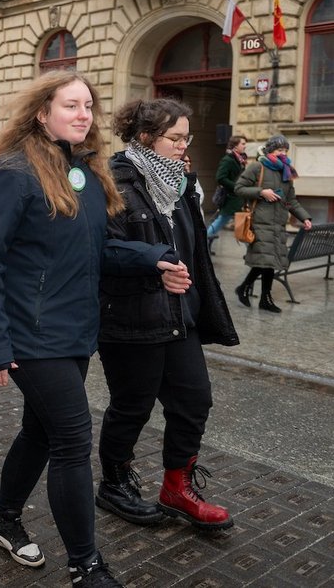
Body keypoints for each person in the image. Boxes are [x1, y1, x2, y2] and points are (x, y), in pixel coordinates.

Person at [0, 71, 125, 586]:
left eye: (89, 106)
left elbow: (97, 250)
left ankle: (2, 518)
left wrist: (155, 260)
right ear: (41, 113)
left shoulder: (86, 170)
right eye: (71, 105)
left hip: (76, 330)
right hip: (30, 334)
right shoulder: (12, 172)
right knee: (73, 440)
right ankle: (85, 565)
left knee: (40, 431)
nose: (84, 114)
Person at [97, 98, 239, 536]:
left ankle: (178, 488)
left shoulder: (178, 181)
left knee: (194, 401)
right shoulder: (113, 181)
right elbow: (100, 249)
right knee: (132, 407)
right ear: (145, 137)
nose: (183, 145)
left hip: (179, 315)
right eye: (174, 138)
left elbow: (193, 247)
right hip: (131, 317)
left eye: (185, 137)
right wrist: (152, 261)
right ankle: (114, 484)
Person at [233, 134, 312, 312]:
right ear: (270, 150)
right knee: (266, 260)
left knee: (270, 261)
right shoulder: (257, 167)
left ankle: (255, 294)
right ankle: (258, 295)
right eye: (279, 150)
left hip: (278, 224)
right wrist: (261, 192)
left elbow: (291, 200)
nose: (282, 153)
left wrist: (305, 218)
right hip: (260, 222)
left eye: (285, 150)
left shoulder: (287, 171)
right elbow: (239, 188)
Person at [206, 135, 247, 252]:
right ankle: (203, 241)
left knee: (242, 223)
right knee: (224, 221)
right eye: (243, 144)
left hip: (238, 198)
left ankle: (204, 241)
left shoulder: (240, 159)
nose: (245, 146)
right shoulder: (228, 160)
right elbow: (220, 177)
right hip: (231, 198)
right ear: (235, 145)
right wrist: (237, 187)